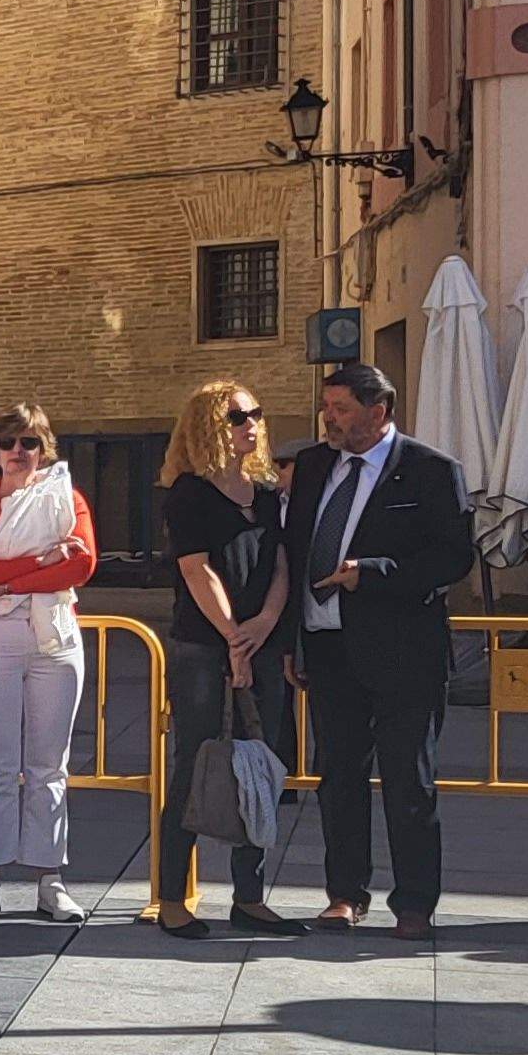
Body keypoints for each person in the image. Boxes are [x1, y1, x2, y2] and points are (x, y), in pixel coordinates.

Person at [283, 363, 477, 940]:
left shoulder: (430, 471)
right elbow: (295, 553)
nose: (329, 418)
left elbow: (452, 559)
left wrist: (372, 573)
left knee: (407, 779)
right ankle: (344, 894)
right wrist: (293, 637)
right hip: (327, 643)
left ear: (379, 410)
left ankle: (414, 901)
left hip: (403, 650)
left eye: (341, 408)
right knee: (337, 775)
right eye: (327, 406)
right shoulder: (315, 465)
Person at [153, 380, 308, 938]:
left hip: (258, 642)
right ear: (211, 427)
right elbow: (198, 571)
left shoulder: (266, 492)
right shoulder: (189, 493)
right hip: (201, 644)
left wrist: (264, 624)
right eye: (240, 417)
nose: (252, 425)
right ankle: (173, 897)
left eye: (256, 415)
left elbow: (281, 563)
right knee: (195, 763)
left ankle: (249, 895)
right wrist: (231, 639)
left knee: (261, 766)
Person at [0, 404, 95, 923]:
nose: (18, 452)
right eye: (8, 442)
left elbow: (82, 563)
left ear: (44, 449)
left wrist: (8, 583)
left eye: (29, 442)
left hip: (53, 634)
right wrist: (42, 561)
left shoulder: (66, 496)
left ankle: (48, 878)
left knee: (49, 765)